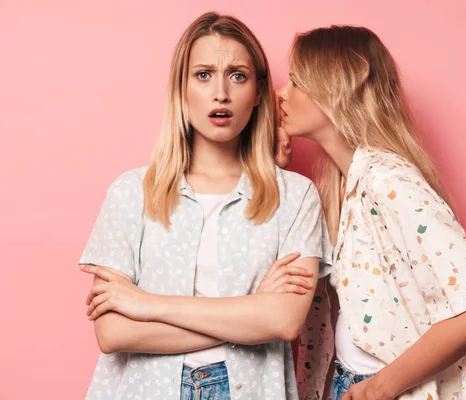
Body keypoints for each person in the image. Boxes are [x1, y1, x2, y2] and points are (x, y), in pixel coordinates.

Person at [79, 12, 331, 400]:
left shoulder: (296, 197)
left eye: (237, 75)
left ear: (259, 91)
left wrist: (147, 304)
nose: (221, 93)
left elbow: (282, 321)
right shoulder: (131, 192)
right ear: (181, 88)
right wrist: (250, 312)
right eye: (203, 75)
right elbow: (113, 333)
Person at [275, 25, 466, 400]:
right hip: (349, 380)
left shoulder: (387, 179)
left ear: (335, 89)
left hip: (389, 388)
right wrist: (275, 176)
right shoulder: (344, 185)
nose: (281, 94)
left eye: (297, 82)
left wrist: (380, 389)